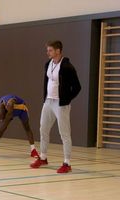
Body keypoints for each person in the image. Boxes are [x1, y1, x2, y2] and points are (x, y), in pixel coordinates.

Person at [30, 40, 81, 173]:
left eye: (50, 50)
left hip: (60, 104)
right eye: (47, 50)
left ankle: (67, 163)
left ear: (58, 51)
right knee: (43, 129)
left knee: (64, 133)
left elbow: (77, 87)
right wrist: (45, 99)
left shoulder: (67, 67)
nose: (47, 52)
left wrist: (66, 99)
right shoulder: (48, 64)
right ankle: (43, 157)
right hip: (48, 102)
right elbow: (47, 83)